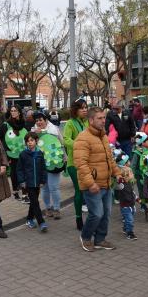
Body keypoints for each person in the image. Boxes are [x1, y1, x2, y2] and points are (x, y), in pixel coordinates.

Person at [74, 107, 122, 252]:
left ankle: (100, 239)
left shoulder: (103, 136)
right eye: (99, 118)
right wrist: (90, 183)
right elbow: (81, 164)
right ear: (91, 120)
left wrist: (117, 173)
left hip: (106, 183)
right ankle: (86, 237)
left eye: (104, 118)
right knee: (96, 214)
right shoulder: (82, 138)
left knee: (106, 214)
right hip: (93, 185)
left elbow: (110, 159)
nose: (103, 121)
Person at [32, 112, 66, 219]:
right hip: (40, 164)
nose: (39, 122)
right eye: (37, 121)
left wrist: (64, 157)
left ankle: (56, 209)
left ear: (46, 120)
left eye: (41, 120)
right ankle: (48, 208)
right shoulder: (33, 132)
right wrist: (35, 135)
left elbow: (61, 144)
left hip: (53, 162)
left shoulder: (54, 130)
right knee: (45, 188)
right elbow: (29, 146)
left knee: (54, 187)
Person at [63, 99, 89, 231]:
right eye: (82, 108)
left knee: (87, 189)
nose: (85, 110)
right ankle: (79, 218)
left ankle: (91, 215)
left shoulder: (88, 122)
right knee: (79, 190)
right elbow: (66, 140)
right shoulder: (70, 123)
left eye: (86, 107)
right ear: (75, 110)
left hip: (88, 162)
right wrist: (79, 145)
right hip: (74, 163)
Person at [17, 132, 48, 233]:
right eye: (27, 141)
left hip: (38, 183)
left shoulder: (40, 153)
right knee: (35, 202)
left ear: (36, 141)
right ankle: (41, 222)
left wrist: (43, 180)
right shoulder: (23, 154)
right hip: (28, 183)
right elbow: (19, 169)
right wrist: (22, 181)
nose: (29, 143)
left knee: (33, 203)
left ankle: (29, 219)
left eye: (31, 140)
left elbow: (43, 169)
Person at [0, 104, 28, 203]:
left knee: (24, 172)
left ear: (19, 112)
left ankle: (24, 193)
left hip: (23, 153)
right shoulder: (5, 125)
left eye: (15, 110)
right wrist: (5, 152)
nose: (13, 112)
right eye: (12, 111)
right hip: (11, 154)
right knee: (14, 173)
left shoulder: (24, 124)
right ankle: (15, 192)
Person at [114, 153, 138, 240]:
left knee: (128, 218)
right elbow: (117, 183)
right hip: (125, 205)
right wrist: (121, 178)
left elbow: (132, 192)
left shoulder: (129, 184)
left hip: (131, 203)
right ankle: (130, 233)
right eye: (131, 173)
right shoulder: (121, 184)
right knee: (130, 220)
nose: (132, 175)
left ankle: (125, 228)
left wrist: (137, 199)